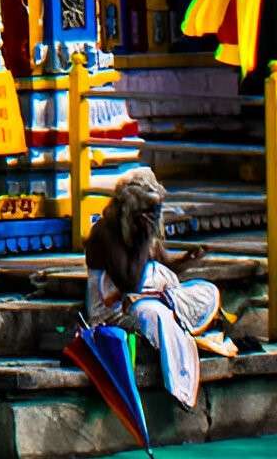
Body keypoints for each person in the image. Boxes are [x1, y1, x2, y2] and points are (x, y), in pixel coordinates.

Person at [81, 169, 237, 408]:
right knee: (159, 316)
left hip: (154, 294)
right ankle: (180, 388)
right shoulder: (105, 232)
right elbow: (129, 283)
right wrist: (144, 239)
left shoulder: (145, 228)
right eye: (150, 213)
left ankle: (187, 323)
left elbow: (163, 264)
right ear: (133, 211)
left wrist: (187, 259)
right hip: (117, 308)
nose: (154, 218)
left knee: (206, 292)